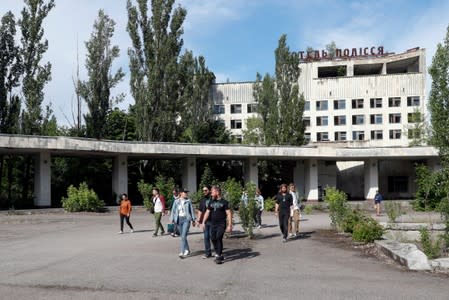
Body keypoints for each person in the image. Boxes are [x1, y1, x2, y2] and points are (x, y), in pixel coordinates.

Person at [200, 186, 232, 264]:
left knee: (218, 237)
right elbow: (207, 212)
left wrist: (229, 225)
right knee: (213, 238)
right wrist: (203, 222)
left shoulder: (224, 202)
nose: (211, 193)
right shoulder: (211, 202)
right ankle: (218, 252)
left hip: (221, 223)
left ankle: (219, 255)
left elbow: (229, 213)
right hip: (213, 224)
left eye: (213, 192)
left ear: (217, 192)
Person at [169, 188, 196, 258]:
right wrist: (172, 219)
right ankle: (187, 249)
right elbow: (173, 210)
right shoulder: (176, 201)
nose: (186, 193)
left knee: (183, 236)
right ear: (180, 193)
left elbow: (191, 211)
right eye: (185, 192)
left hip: (186, 219)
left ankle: (182, 251)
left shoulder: (188, 201)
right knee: (182, 237)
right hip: (178, 220)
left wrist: (193, 220)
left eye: (187, 192)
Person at [197, 185, 213, 259]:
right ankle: (208, 253)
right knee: (206, 237)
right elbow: (200, 210)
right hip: (205, 221)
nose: (204, 192)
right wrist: (198, 220)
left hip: (213, 221)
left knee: (213, 237)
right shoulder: (202, 200)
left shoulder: (213, 199)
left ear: (210, 190)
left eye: (206, 190)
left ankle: (218, 252)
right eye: (203, 190)